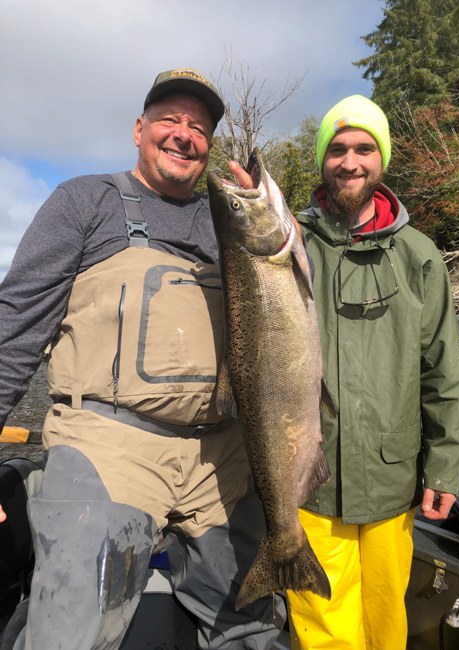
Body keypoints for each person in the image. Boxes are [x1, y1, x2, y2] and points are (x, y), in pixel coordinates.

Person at [0, 67, 286, 649]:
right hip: (109, 440)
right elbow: (16, 325)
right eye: (170, 120)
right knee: (70, 628)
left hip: (221, 454)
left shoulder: (228, 218)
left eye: (199, 127)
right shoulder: (85, 201)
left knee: (254, 628)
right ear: (139, 129)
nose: (184, 134)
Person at [286, 95, 459, 650]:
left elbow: (443, 371)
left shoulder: (421, 256)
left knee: (388, 621)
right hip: (309, 484)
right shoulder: (288, 248)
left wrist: (444, 468)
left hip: (395, 481)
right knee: (322, 629)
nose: (350, 161)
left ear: (382, 160)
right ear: (321, 160)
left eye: (365, 148)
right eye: (337, 149)